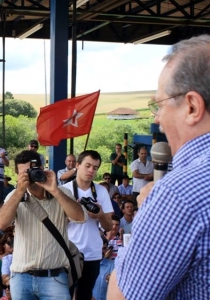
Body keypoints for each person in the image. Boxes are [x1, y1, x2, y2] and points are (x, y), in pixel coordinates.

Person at [108, 35, 210, 299]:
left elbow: (123, 296)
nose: (158, 119)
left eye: (160, 105)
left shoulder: (178, 195)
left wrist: (147, 217)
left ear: (192, 106)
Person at [0, 150, 85, 300]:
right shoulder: (14, 196)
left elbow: (80, 218)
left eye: (32, 171)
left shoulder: (62, 192)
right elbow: (1, 224)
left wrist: (55, 190)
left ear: (42, 168)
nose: (29, 176)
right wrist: (19, 191)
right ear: (17, 174)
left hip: (54, 276)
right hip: (21, 276)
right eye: (24, 173)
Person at [63, 150, 113, 300]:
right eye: (88, 166)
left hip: (92, 253)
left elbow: (110, 226)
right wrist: (75, 213)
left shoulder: (100, 191)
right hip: (68, 253)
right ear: (77, 165)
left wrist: (101, 215)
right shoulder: (64, 190)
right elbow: (55, 222)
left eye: (95, 168)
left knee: (85, 295)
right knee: (65, 295)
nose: (91, 170)